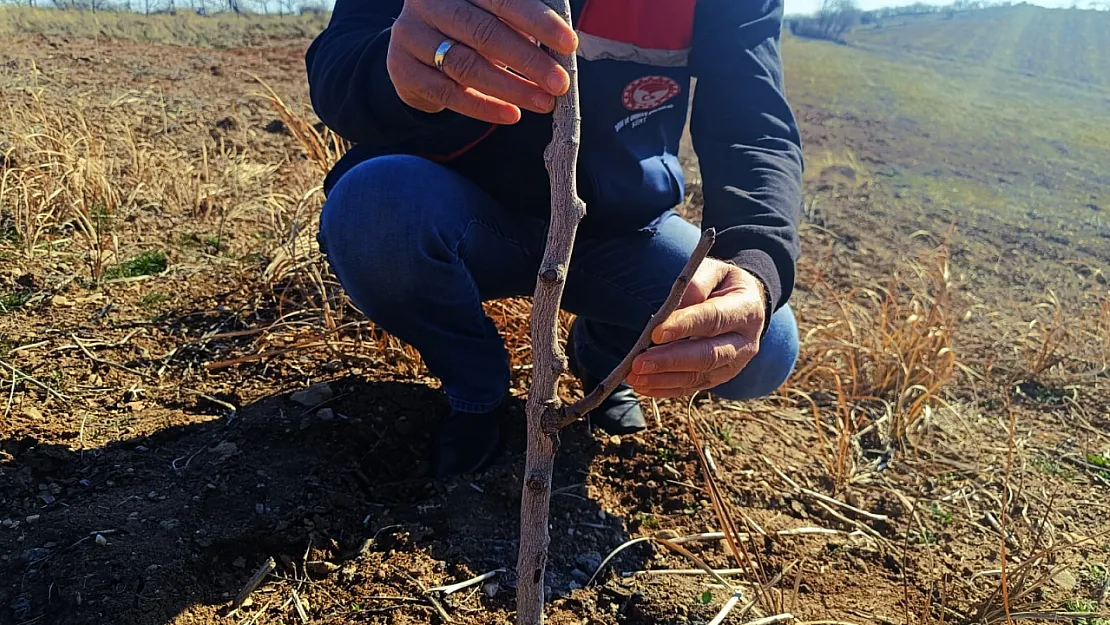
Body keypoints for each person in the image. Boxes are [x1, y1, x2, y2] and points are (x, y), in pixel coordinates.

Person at [305, 0, 804, 478]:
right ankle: (477, 391)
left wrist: (754, 263)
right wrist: (396, 68)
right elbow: (337, 64)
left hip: (616, 228)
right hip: (446, 200)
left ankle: (605, 352)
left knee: (767, 342)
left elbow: (753, 125)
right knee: (372, 214)